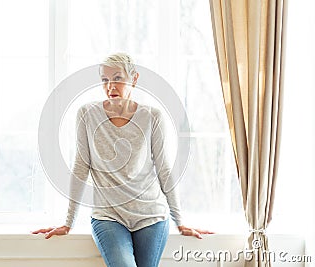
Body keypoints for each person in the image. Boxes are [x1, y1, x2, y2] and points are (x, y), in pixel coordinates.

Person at [33, 53, 213, 267]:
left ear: (134, 79)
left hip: (151, 216)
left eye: (117, 78)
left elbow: (163, 169)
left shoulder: (152, 116)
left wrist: (180, 221)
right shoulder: (87, 114)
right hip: (109, 217)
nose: (110, 86)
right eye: (105, 80)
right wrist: (68, 222)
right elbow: (81, 166)